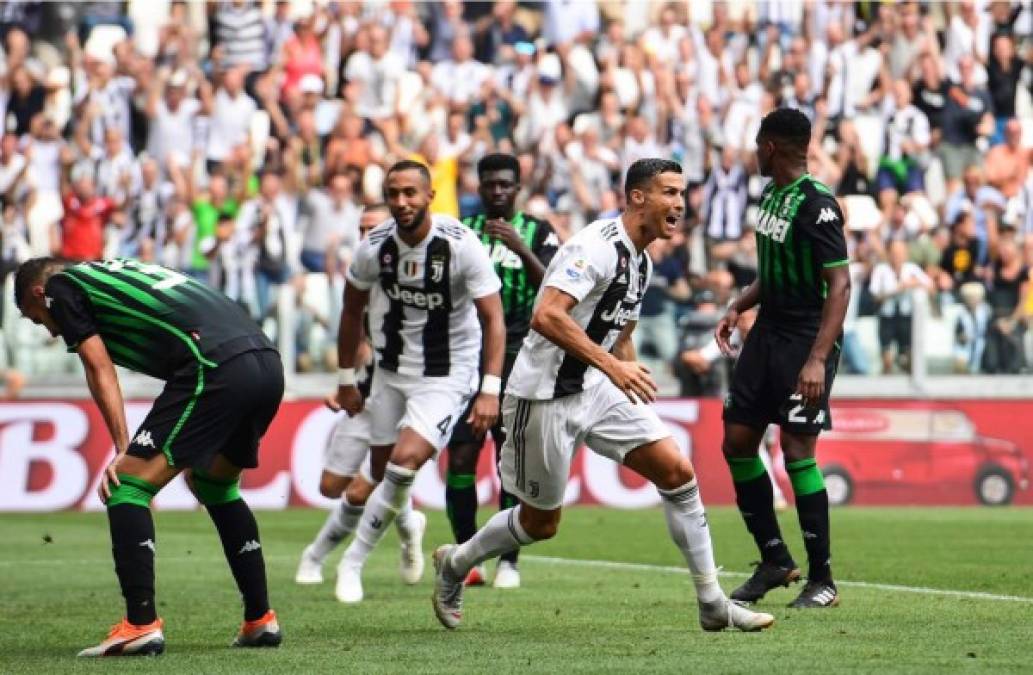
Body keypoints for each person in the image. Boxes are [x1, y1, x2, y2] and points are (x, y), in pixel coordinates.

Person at [430, 158, 775, 633]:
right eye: (669, 193)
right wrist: (614, 365)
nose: (679, 204)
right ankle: (455, 563)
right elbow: (547, 315)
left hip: (596, 387)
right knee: (539, 524)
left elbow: (622, 327)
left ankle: (712, 602)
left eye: (681, 193)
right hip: (544, 396)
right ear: (638, 197)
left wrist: (625, 366)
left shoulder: (643, 259)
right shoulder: (595, 246)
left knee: (677, 472)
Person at [14, 256, 284, 656]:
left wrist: (124, 450)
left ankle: (139, 625)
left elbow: (98, 364)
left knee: (126, 487)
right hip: (266, 362)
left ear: (39, 294)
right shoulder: (114, 270)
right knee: (214, 484)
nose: (51, 331)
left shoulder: (61, 287)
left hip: (213, 364)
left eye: (38, 319)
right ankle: (260, 619)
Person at [327, 160, 505, 604]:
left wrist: (489, 388)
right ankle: (410, 529)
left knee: (404, 463)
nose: (402, 202)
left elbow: (493, 319)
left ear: (430, 196)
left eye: (410, 193)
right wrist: (346, 377)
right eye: (394, 194)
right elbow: (351, 311)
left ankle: (352, 561)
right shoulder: (375, 246)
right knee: (384, 471)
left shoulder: (461, 245)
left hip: (447, 375)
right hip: (390, 371)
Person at [715, 108, 851, 609]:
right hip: (769, 328)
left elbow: (840, 286)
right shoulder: (772, 196)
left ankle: (823, 580)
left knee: (797, 451)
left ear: (771, 146)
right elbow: (771, 271)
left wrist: (816, 359)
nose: (753, 152)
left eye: (757, 144)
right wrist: (738, 306)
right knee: (737, 440)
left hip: (806, 336)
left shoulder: (819, 206)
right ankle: (774, 559)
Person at [294, 203, 428, 598]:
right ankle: (409, 525)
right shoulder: (363, 273)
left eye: (374, 227)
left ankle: (315, 558)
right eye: (361, 228)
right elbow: (355, 335)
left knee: (364, 488)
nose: (366, 235)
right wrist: (346, 382)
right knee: (331, 486)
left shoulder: (406, 276)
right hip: (365, 396)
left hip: (402, 398)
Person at [445, 153, 559, 589]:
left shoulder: (540, 231)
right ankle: (464, 554)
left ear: (518, 187)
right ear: (479, 187)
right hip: (465, 356)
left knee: (508, 463)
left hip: (521, 358)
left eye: (505, 185)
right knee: (460, 457)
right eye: (489, 184)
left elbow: (556, 286)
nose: (497, 191)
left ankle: (508, 560)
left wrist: (519, 246)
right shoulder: (459, 233)